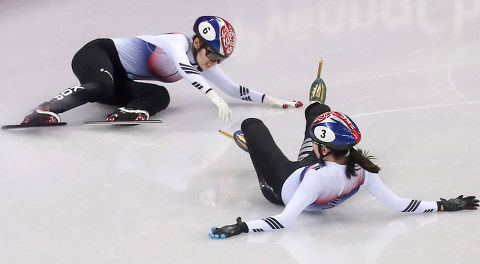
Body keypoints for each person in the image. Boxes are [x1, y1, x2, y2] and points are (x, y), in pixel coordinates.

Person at [208, 79, 478, 239]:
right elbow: (400, 204)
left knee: (253, 125)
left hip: (280, 184)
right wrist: (443, 205)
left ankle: (256, 151)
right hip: (305, 169)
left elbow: (284, 220)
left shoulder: (316, 177)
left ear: (324, 150)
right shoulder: (361, 168)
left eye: (316, 143)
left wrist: (242, 227)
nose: (315, 144)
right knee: (321, 114)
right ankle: (317, 107)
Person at [19, 16, 303, 126]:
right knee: (102, 87)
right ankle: (46, 109)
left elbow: (232, 89)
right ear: (197, 41)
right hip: (97, 54)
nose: (214, 64)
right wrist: (209, 95)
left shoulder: (203, 61)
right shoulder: (176, 43)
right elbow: (184, 68)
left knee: (161, 96)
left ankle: (130, 111)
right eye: (213, 55)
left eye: (221, 59)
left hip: (121, 77)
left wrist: (271, 100)